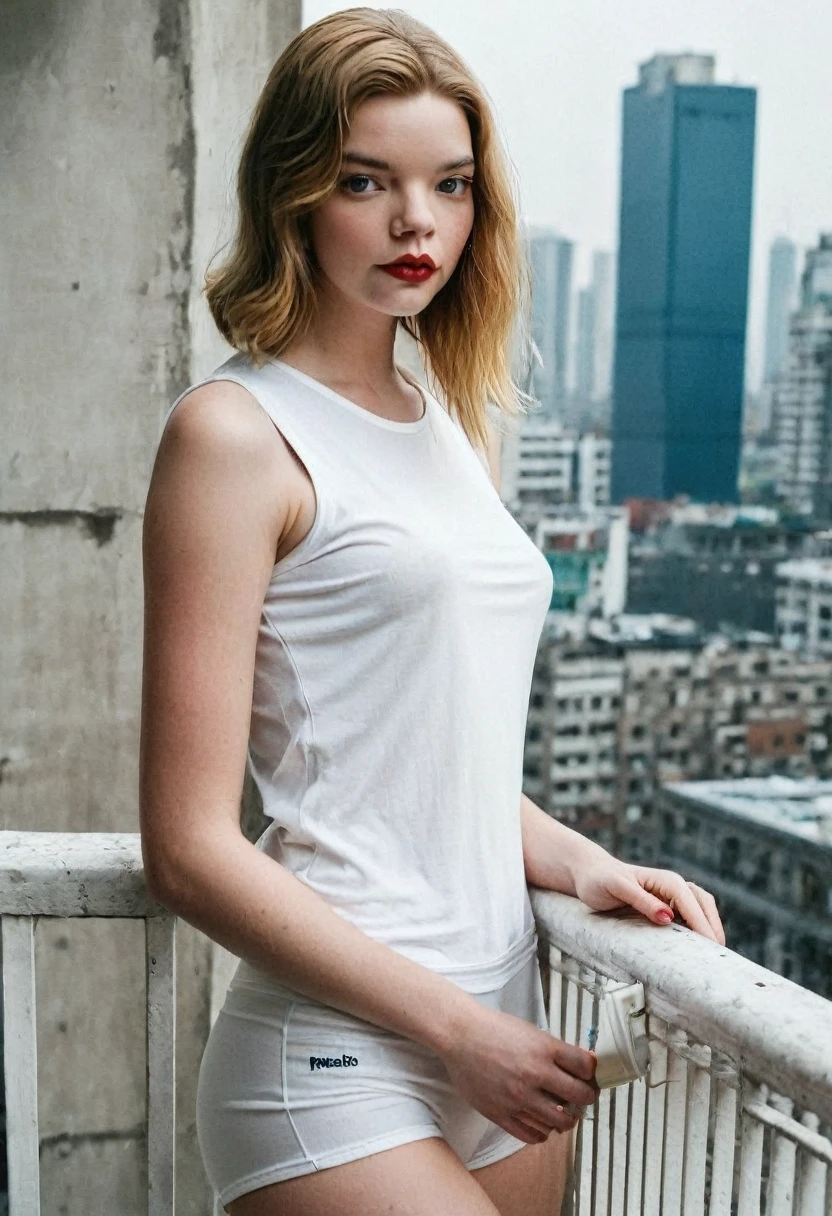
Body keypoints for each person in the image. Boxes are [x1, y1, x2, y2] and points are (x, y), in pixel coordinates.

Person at [139, 9, 725, 1215]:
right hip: (338, 1054)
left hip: (501, 1031)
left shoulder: (452, 422)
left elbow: (422, 749)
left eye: (449, 185)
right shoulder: (233, 435)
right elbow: (188, 847)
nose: (418, 221)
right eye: (367, 180)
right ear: (295, 191)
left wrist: (581, 860)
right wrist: (458, 1032)